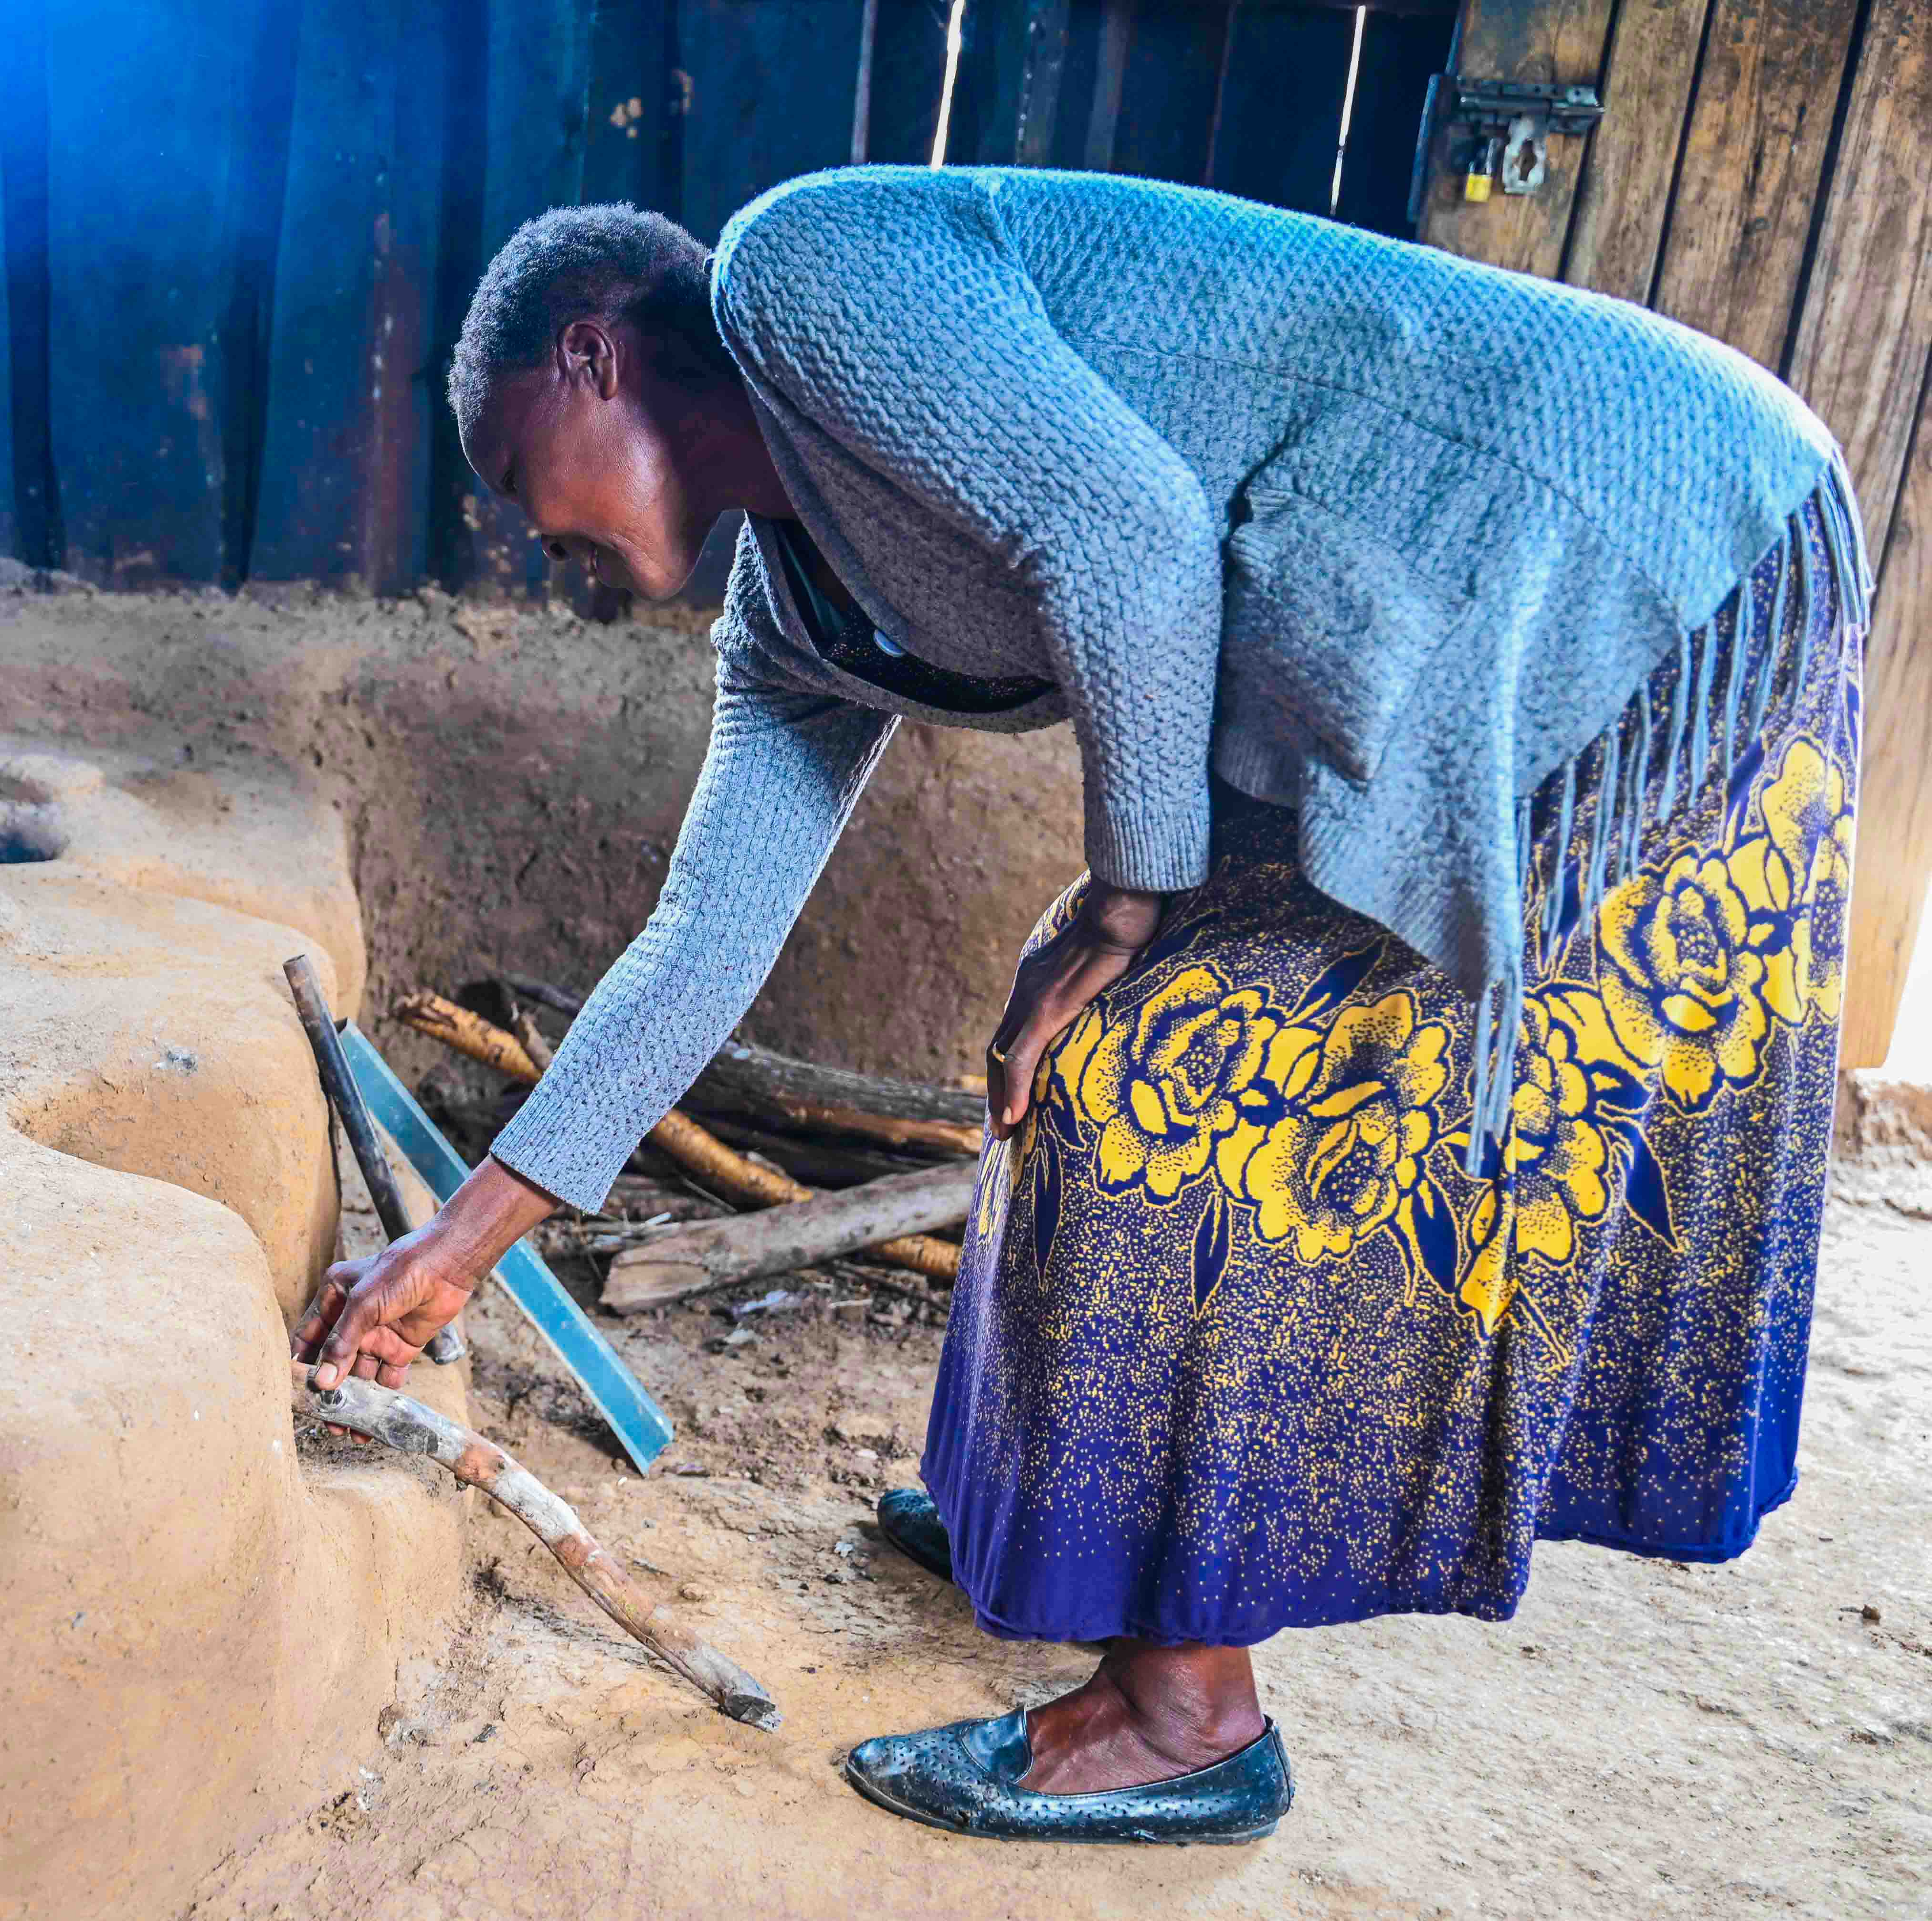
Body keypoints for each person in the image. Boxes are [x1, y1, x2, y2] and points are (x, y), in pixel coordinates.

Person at [294, 166, 1867, 1845]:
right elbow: (705, 929)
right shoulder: (796, 614)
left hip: (1634, 546)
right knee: (1071, 1046)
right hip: (1460, 607)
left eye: (517, 481)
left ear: (592, 357)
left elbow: (1123, 532)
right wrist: (450, 1253)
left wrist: (1132, 905)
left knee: (1152, 1065)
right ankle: (1060, 1523)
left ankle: (1188, 1714)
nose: (543, 551)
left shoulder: (799, 269)